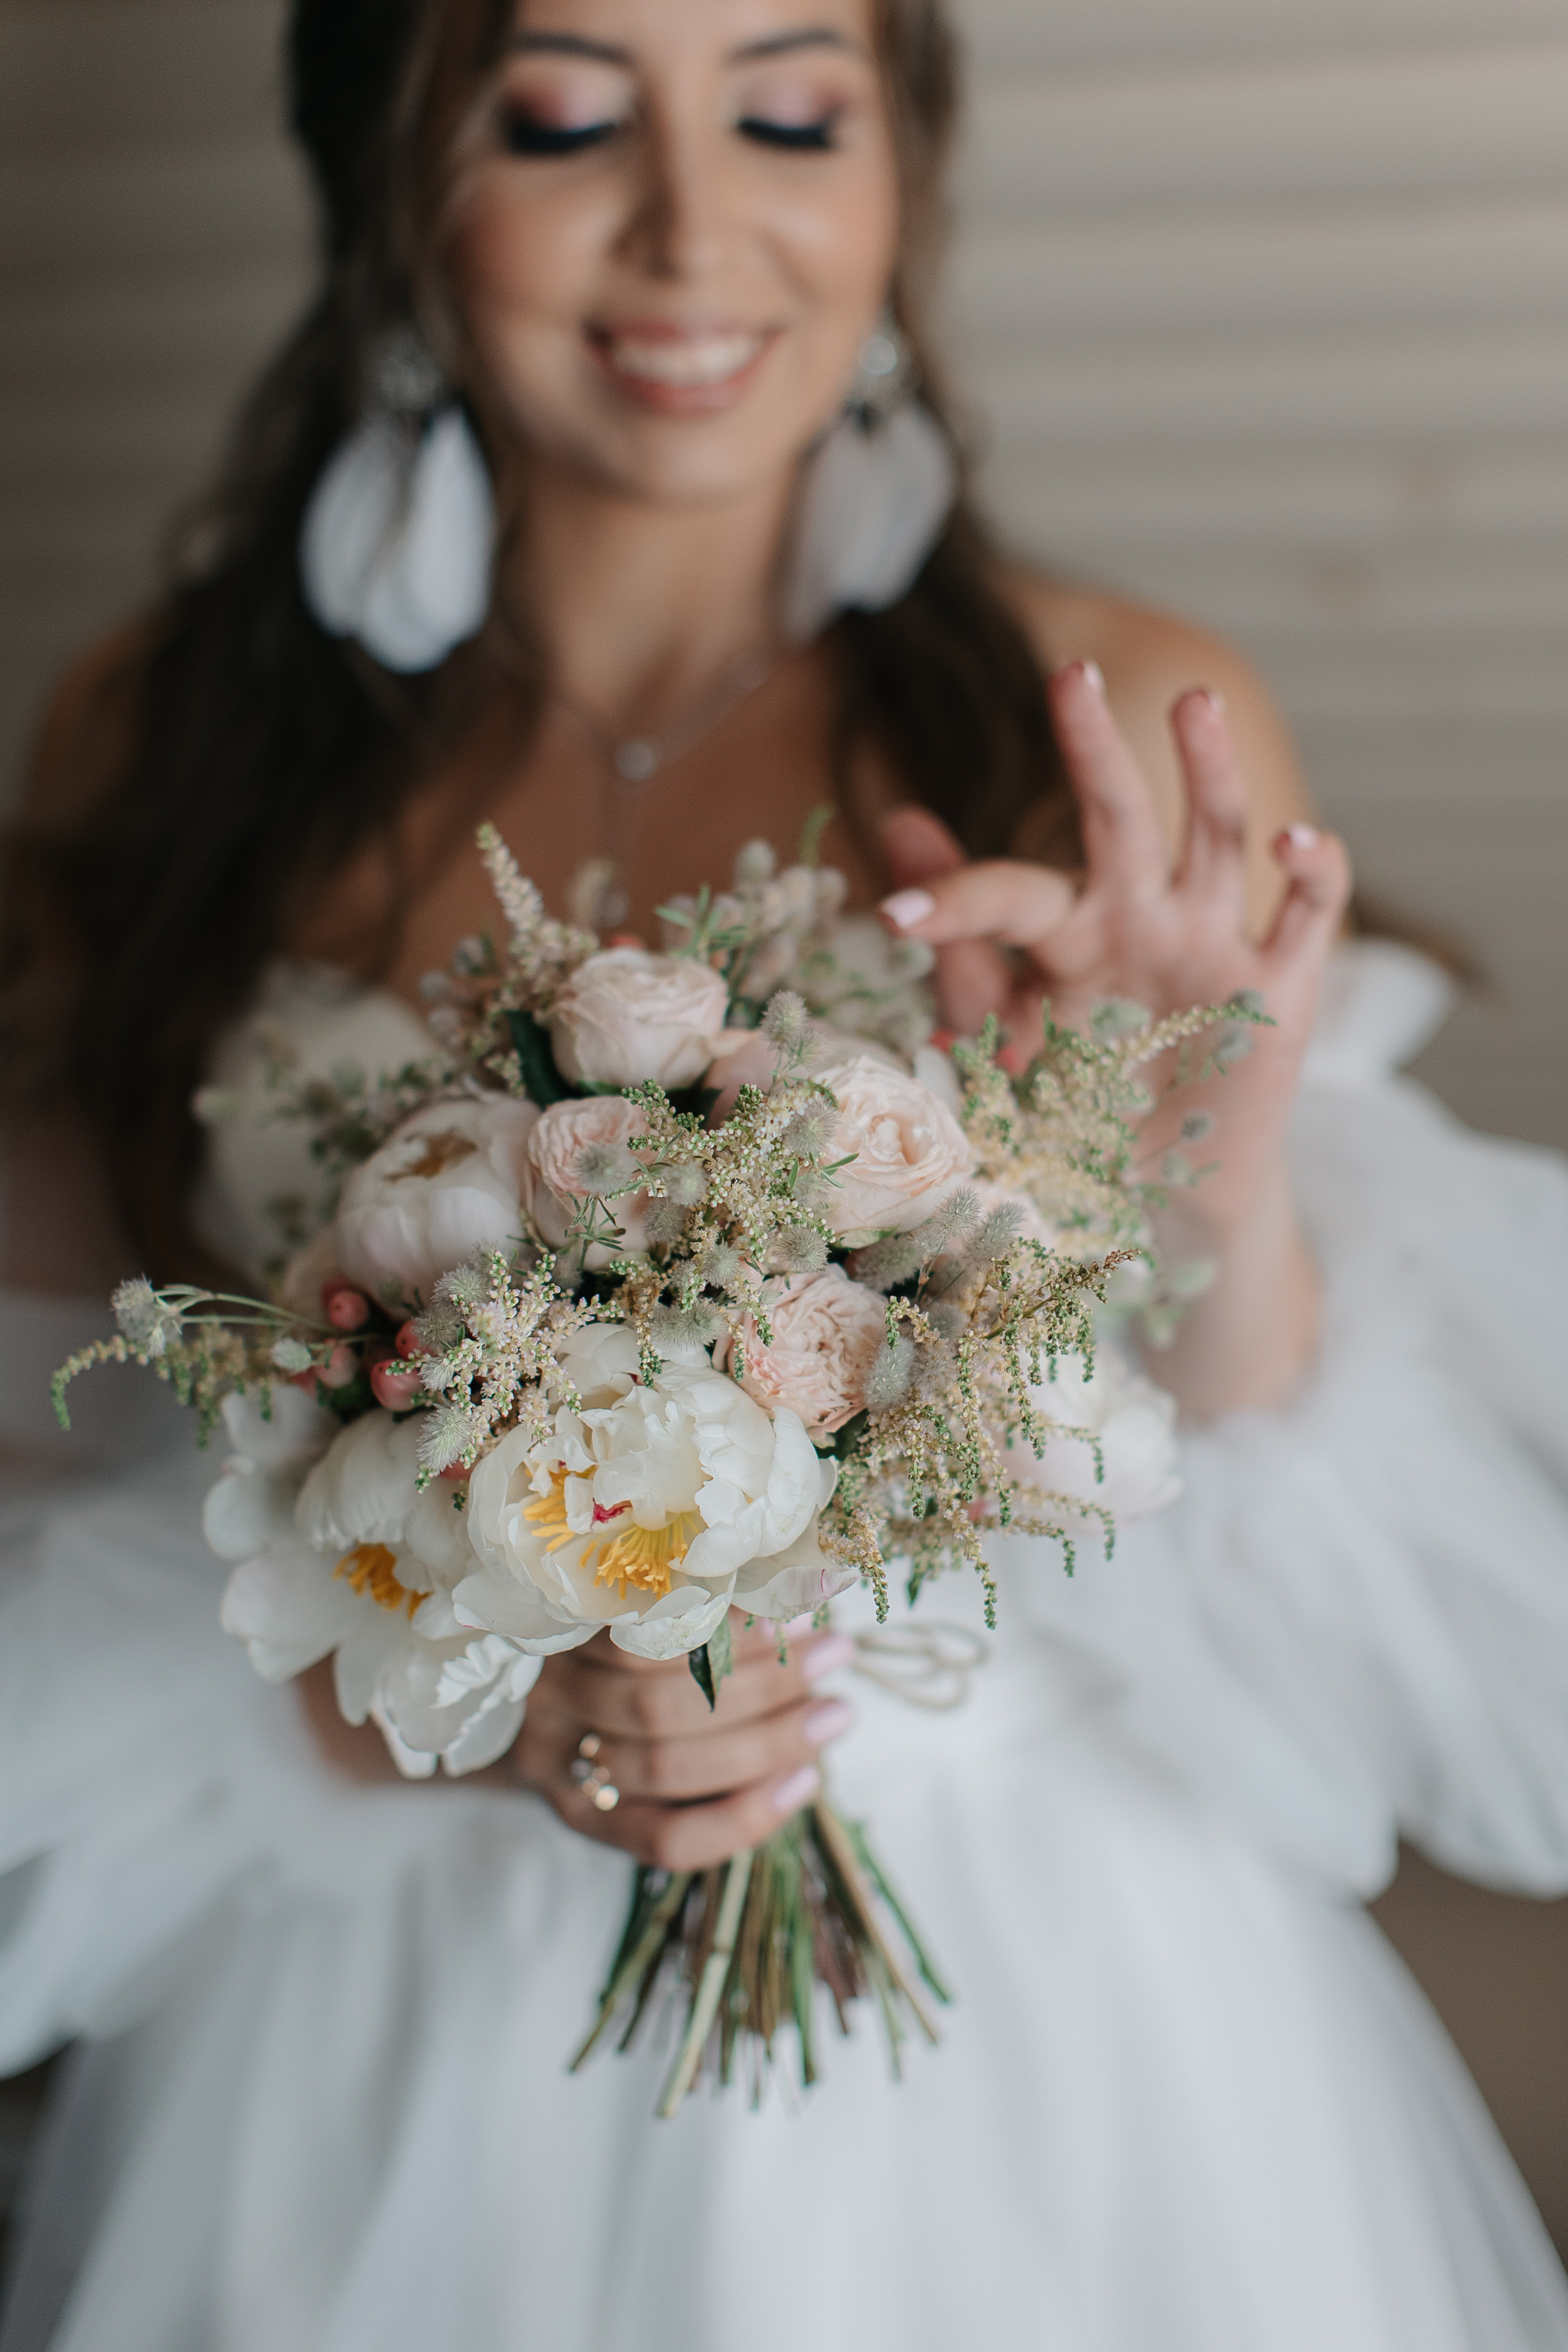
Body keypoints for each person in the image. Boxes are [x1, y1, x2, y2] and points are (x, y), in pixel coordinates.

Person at [3, 0, 1568, 2343]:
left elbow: (1260, 1516)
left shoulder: (1117, 713)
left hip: (1044, 2025)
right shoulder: (168, 733)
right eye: (559, 116)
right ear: (394, 183)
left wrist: (1207, 1156)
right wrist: (475, 1690)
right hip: (381, 2044)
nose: (695, 232)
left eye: (791, 109)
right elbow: (77, 1428)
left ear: (899, 179)